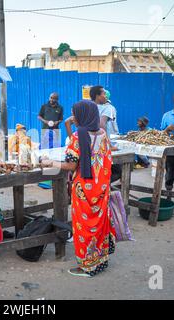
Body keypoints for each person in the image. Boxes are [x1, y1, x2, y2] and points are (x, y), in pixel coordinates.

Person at [41, 100, 115, 277]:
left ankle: (86, 266)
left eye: (75, 113)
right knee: (98, 223)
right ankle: (99, 261)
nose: (73, 117)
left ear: (83, 115)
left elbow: (70, 165)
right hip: (101, 187)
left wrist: (49, 162)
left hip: (84, 189)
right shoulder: (103, 133)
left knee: (83, 226)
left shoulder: (78, 135)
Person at [90, 86, 121, 182]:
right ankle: (101, 185)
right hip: (102, 146)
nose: (105, 96)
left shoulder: (88, 106)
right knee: (118, 171)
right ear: (97, 96)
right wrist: (109, 145)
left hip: (90, 143)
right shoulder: (107, 108)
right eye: (103, 94)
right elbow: (102, 125)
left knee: (94, 170)